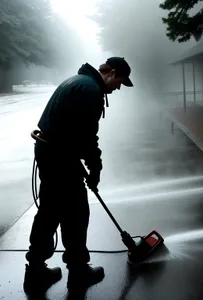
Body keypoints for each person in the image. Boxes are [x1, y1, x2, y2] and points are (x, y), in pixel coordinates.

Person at [23, 57, 133, 295]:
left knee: (50, 211)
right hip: (60, 156)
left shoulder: (78, 81)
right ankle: (78, 271)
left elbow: (76, 133)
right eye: (120, 82)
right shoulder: (89, 90)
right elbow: (85, 136)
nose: (117, 89)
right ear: (112, 73)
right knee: (76, 213)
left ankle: (35, 271)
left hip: (51, 151)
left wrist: (90, 164)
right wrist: (95, 167)